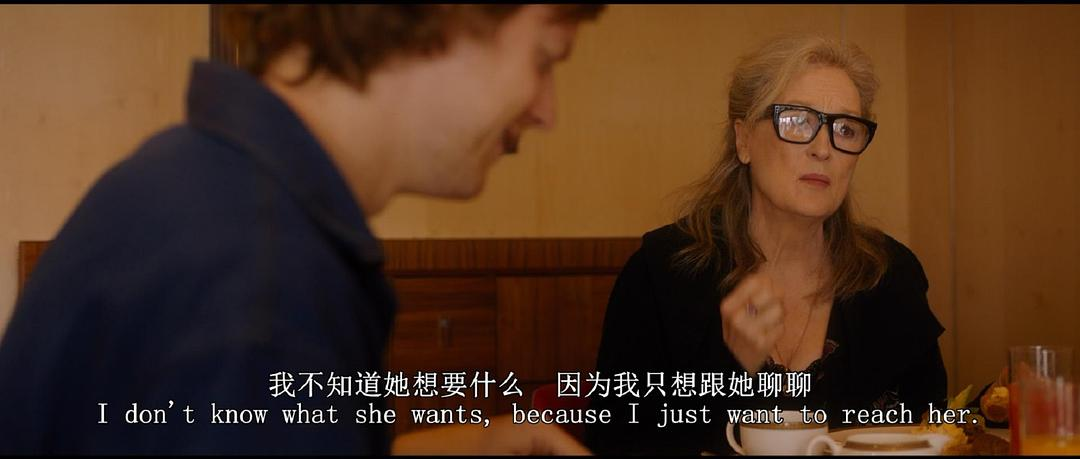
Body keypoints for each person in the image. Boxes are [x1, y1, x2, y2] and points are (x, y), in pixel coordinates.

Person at [0, 4, 603, 454]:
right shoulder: (262, 286)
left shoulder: (194, 180)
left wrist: (473, 445)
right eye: (545, 58)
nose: (547, 111)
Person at [585, 35, 946, 455]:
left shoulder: (891, 275)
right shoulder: (663, 272)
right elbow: (615, 443)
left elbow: (930, 431)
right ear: (743, 140)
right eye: (797, 122)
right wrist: (732, 369)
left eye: (845, 129)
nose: (823, 149)